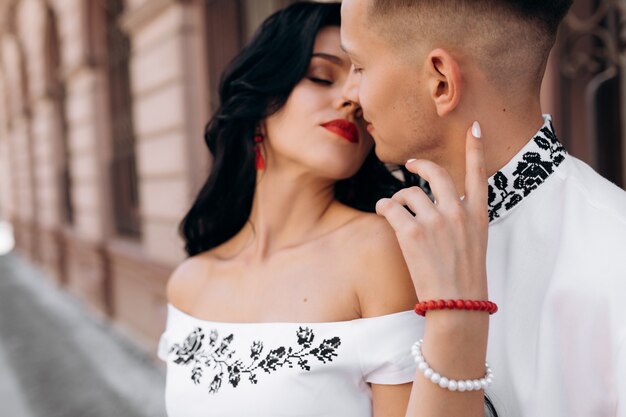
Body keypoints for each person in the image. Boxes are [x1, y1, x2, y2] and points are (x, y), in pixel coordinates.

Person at [158, 2, 497, 417]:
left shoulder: (378, 249)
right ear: (260, 101)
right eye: (322, 76)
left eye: (361, 79)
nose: (352, 99)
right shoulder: (189, 282)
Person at [340, 1, 626, 416]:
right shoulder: (377, 239)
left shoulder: (614, 257)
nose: (348, 95)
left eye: (359, 66)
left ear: (441, 82)